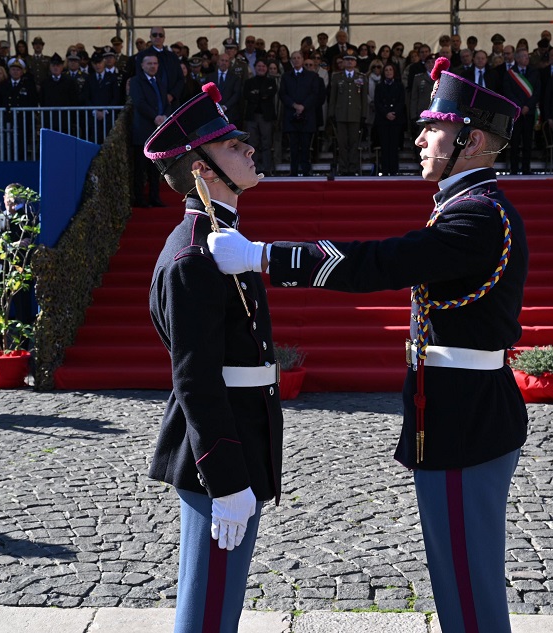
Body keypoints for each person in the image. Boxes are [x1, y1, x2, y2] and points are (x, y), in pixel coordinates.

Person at [206, 57, 528, 633]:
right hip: (455, 410)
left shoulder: (477, 216)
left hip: (466, 419)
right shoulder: (466, 207)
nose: (422, 135)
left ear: (473, 141)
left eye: (436, 128)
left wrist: (263, 256)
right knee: (458, 576)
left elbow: (380, 262)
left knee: (469, 580)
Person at [141, 83, 283, 633]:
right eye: (230, 147)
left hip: (238, 435)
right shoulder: (192, 253)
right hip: (216, 454)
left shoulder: (221, 237)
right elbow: (195, 377)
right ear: (202, 172)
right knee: (206, 616)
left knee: (217, 609)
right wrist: (225, 478)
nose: (248, 149)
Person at [0, 183, 37, 349]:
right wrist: (12, 245)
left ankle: (22, 354)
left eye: (15, 196)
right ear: (3, 198)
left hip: (20, 275)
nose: (11, 200)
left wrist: (21, 209)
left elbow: (30, 244)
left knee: (23, 316)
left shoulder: (28, 219)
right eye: (8, 196)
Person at [130, 51, 172, 207]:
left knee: (156, 168)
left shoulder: (159, 82)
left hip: (158, 131)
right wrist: (155, 116)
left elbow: (166, 103)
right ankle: (140, 199)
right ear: (142, 65)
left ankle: (155, 197)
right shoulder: (136, 81)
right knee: (140, 169)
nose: (152, 66)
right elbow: (139, 103)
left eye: (155, 63)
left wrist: (165, 115)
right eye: (149, 63)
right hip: (143, 130)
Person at [279, 50, 319, 176]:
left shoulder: (312, 76)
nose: (296, 60)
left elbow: (315, 94)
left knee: (306, 146)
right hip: (291, 116)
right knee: (293, 147)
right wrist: (294, 105)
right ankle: (294, 171)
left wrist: (303, 106)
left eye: (298, 57)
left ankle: (306, 172)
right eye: (293, 58)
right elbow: (283, 94)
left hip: (307, 117)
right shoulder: (286, 76)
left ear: (302, 59)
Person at [501, 48, 539, 175]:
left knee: (527, 142)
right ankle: (514, 169)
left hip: (529, 112)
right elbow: (508, 92)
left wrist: (528, 106)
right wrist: (519, 106)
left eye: (527, 56)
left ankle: (526, 168)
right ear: (517, 59)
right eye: (523, 56)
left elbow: (537, 92)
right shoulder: (510, 73)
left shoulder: (534, 72)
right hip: (516, 113)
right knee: (515, 142)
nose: (526, 58)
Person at [329, 52, 368, 175]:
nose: (350, 62)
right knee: (342, 144)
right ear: (343, 62)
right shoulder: (337, 77)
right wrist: (331, 114)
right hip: (340, 115)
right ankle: (343, 168)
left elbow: (364, 98)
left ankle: (352, 168)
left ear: (355, 62)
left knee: (353, 144)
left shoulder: (361, 77)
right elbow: (333, 97)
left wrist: (364, 115)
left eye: (352, 60)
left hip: (355, 115)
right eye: (347, 60)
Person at [243, 59, 277, 176]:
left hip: (266, 117)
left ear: (266, 68)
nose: (261, 68)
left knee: (266, 143)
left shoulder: (271, 82)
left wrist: (257, 93)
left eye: (263, 66)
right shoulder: (249, 82)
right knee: (253, 143)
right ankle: (253, 169)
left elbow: (268, 94)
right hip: (252, 117)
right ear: (255, 67)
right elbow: (247, 95)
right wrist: (261, 94)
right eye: (259, 66)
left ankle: (267, 168)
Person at [373, 62, 405, 176]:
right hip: (383, 120)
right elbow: (377, 103)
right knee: (385, 146)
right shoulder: (379, 86)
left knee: (394, 146)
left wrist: (394, 113)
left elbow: (402, 102)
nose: (388, 72)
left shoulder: (399, 85)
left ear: (394, 72)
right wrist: (386, 113)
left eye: (390, 70)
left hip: (396, 120)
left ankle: (394, 170)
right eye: (386, 70)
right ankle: (385, 170)